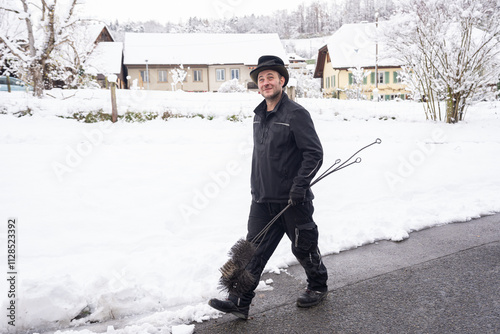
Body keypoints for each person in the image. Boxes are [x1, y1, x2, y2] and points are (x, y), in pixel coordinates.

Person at [209, 55, 328, 319]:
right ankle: (239, 300)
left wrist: (300, 186)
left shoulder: (296, 114)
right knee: (251, 251)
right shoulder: (258, 115)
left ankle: (318, 286)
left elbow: (314, 154)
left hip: (292, 200)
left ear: (282, 80)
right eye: (261, 79)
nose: (265, 82)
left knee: (304, 247)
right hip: (262, 199)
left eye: (270, 77)